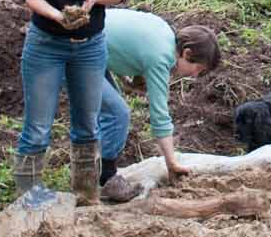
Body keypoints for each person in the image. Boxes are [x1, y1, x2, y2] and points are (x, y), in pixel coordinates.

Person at [15, 0, 129, 203]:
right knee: (37, 128)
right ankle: (28, 197)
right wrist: (57, 15)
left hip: (90, 47)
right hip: (46, 44)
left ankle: (86, 195)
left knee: (87, 126)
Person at [93, 16, 221, 193]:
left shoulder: (165, 33)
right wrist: (172, 164)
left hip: (89, 45)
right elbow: (159, 118)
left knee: (111, 110)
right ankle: (104, 179)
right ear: (187, 53)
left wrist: (131, 78)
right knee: (117, 113)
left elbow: (122, 44)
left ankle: (93, 169)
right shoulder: (161, 58)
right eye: (198, 69)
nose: (194, 76)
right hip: (74, 50)